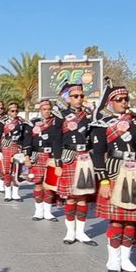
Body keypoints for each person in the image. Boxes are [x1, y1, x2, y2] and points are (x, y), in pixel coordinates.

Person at [90, 85, 136, 272]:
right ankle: (113, 260)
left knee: (131, 221)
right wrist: (104, 181)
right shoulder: (102, 124)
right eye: (119, 99)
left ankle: (126, 260)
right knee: (117, 221)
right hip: (115, 171)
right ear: (111, 102)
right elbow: (98, 154)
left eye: (126, 99)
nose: (124, 102)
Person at [54, 85, 97, 244]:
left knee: (83, 197)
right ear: (69, 98)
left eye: (81, 96)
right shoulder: (61, 115)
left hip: (85, 157)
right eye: (75, 96)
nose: (79, 98)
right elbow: (56, 139)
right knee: (71, 198)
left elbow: (93, 138)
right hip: (68, 157)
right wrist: (57, 162)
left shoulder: (89, 115)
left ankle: (81, 232)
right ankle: (70, 232)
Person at [28, 99, 61, 221]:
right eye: (44, 109)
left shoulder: (56, 122)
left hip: (51, 156)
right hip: (37, 155)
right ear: (40, 110)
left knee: (49, 185)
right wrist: (27, 155)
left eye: (49, 109)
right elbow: (28, 140)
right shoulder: (33, 123)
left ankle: (48, 212)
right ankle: (38, 211)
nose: (47, 111)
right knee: (38, 184)